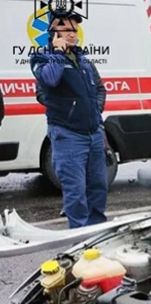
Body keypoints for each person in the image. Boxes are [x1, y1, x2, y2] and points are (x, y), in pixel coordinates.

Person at [31, 9, 108, 229]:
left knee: (98, 187)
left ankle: (97, 232)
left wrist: (96, 110)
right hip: (68, 135)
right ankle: (80, 239)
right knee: (76, 192)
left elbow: (100, 88)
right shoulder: (42, 59)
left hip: (93, 134)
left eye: (74, 29)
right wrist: (58, 53)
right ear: (53, 32)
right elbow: (50, 80)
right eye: (65, 29)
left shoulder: (84, 61)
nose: (71, 34)